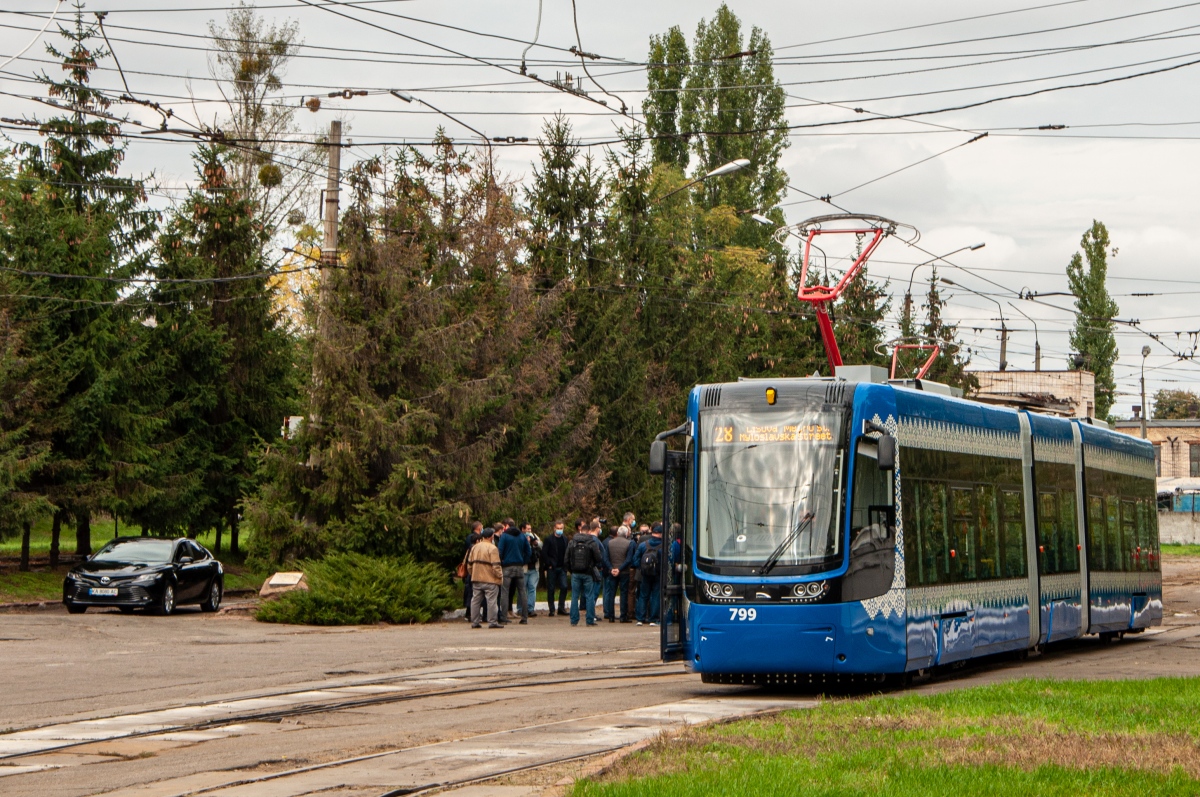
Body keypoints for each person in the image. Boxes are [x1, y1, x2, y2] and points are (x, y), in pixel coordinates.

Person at [565, 520, 605, 626]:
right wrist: (592, 566)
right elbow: (599, 558)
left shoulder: (572, 542)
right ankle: (590, 620)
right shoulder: (591, 543)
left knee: (574, 596)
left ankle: (574, 620)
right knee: (589, 596)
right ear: (588, 532)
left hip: (575, 573)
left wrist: (571, 570)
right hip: (588, 573)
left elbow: (566, 559)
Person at [496, 518, 531, 624]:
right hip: (519, 566)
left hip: (507, 566)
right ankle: (524, 617)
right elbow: (528, 551)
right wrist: (523, 561)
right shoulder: (521, 536)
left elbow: (500, 551)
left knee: (505, 592)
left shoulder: (505, 536)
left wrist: (501, 562)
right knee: (522, 591)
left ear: (507, 526)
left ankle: (504, 617)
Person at [467, 527, 504, 628]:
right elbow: (496, 565)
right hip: (490, 579)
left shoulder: (475, 547)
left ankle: (474, 622)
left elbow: (469, 564)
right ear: (491, 536)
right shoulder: (492, 548)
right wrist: (500, 576)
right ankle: (492, 622)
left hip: (476, 578)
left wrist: (472, 573)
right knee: (491, 601)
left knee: (475, 600)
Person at [603, 525, 636, 623]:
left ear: (617, 533)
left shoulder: (610, 543)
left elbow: (605, 558)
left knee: (611, 593)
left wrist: (611, 568)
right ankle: (623, 616)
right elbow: (629, 559)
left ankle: (611, 616)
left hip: (612, 571)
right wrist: (620, 569)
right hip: (624, 572)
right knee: (624, 593)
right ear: (626, 534)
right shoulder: (629, 543)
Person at [634, 523, 664, 626]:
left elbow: (635, 560)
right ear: (661, 534)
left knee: (643, 596)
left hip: (645, 574)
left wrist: (642, 569)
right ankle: (653, 619)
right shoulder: (664, 546)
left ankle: (640, 619)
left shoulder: (643, 545)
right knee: (655, 596)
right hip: (658, 574)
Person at [541, 520, 569, 616]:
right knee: (551, 588)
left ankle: (561, 608)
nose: (559, 530)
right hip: (552, 567)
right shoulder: (549, 539)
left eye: (561, 528)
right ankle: (551, 609)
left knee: (564, 587)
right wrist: (549, 563)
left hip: (562, 567)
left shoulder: (565, 539)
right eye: (558, 528)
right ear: (554, 528)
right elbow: (544, 552)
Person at [462, 521, 484, 618]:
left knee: (470, 592)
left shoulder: (468, 538)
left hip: (470, 571)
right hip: (474, 572)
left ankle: (469, 612)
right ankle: (472, 614)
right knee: (473, 593)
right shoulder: (474, 545)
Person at [522, 522, 541, 617]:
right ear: (523, 529)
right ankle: (521, 608)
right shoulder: (520, 537)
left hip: (534, 568)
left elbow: (541, 545)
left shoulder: (534, 536)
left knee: (532, 588)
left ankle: (530, 609)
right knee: (522, 589)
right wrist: (526, 541)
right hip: (524, 568)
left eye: (530, 528)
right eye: (527, 529)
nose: (529, 531)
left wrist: (535, 542)